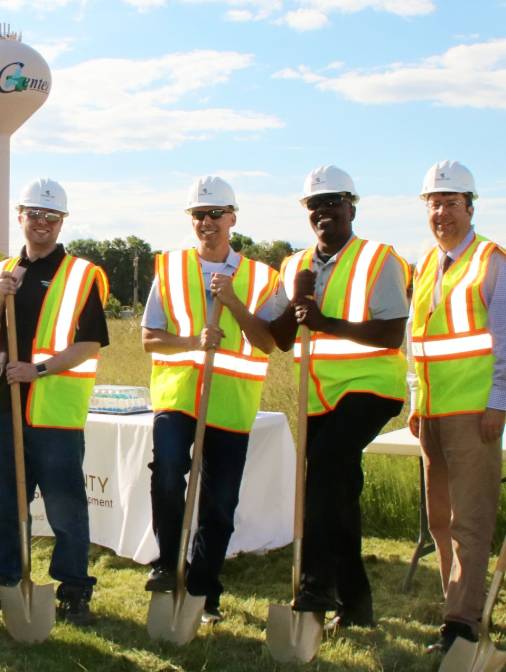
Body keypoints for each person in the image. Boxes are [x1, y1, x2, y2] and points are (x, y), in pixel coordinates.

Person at [0, 178, 109, 626]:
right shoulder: (2, 270)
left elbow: (89, 345)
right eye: (35, 214)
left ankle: (73, 590)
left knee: (66, 505)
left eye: (52, 217)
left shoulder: (82, 274)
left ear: (62, 222)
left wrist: (37, 370)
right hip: (3, 407)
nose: (42, 223)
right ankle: (4, 580)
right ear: (20, 216)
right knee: (5, 502)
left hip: (54, 410)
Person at [269, 166, 409, 629]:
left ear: (353, 206)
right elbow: (282, 339)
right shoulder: (294, 266)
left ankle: (314, 585)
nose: (324, 211)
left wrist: (327, 322)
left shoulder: (379, 258)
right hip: (318, 397)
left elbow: (391, 332)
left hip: (372, 388)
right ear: (306, 212)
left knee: (325, 468)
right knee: (340, 494)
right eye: (315, 204)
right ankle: (357, 604)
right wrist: (297, 300)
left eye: (333, 202)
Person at [141, 176, 278, 623]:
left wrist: (234, 302)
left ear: (232, 218)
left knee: (219, 502)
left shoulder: (260, 277)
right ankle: (168, 563)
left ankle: (204, 589)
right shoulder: (169, 268)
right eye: (198, 214)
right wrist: (192, 342)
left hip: (231, 402)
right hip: (178, 397)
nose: (207, 222)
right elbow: (148, 339)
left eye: (215, 213)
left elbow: (268, 343)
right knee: (166, 473)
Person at [406, 160, 506, 653]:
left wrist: (498, 403)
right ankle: (455, 605)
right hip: (433, 412)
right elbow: (417, 341)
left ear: (470, 207)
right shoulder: (428, 263)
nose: (441, 213)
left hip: (474, 413)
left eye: (451, 203)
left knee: (469, 520)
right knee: (439, 520)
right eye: (434, 204)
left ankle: (461, 623)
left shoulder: (492, 261)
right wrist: (416, 398)